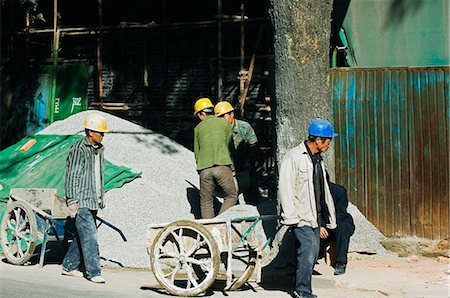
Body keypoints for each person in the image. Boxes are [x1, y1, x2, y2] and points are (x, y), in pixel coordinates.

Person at [279, 118, 338, 298]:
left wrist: (328, 219)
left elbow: (322, 190)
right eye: (328, 140)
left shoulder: (318, 160)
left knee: (310, 252)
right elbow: (286, 188)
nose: (329, 144)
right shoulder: (294, 157)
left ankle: (300, 285)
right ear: (318, 140)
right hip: (301, 216)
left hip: (315, 216)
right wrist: (292, 217)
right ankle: (302, 290)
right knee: (309, 248)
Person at [61, 113, 109, 283]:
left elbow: (99, 175)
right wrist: (72, 201)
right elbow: (72, 175)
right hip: (81, 200)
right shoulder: (78, 149)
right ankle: (94, 272)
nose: (102, 135)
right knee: (90, 236)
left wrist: (101, 197)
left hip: (93, 199)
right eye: (100, 132)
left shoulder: (99, 150)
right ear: (90, 132)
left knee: (83, 235)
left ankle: (69, 265)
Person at [193, 97, 237, 219]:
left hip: (204, 170)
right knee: (231, 196)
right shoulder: (224, 123)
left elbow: (197, 152)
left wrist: (200, 170)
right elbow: (230, 148)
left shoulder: (197, 129)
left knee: (206, 201)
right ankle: (220, 222)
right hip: (222, 166)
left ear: (202, 114)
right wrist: (233, 168)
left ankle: (209, 231)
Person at [214, 101, 260, 205]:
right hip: (229, 169)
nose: (221, 120)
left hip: (246, 166)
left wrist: (248, 167)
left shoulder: (244, 128)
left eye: (222, 116)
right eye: (218, 118)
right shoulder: (218, 131)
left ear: (231, 114)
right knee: (232, 199)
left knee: (252, 199)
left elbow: (253, 148)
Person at [319, 181, 355, 275]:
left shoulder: (338, 191)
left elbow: (341, 213)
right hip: (319, 224)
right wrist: (319, 226)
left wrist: (326, 225)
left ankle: (341, 263)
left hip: (337, 223)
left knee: (342, 226)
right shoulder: (310, 192)